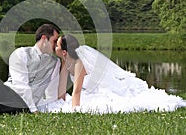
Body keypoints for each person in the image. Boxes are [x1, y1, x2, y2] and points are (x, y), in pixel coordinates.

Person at [42, 34, 186, 113]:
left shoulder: (79, 63)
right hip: (89, 91)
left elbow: (77, 92)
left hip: (104, 90)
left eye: (57, 45)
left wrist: (74, 111)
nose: (55, 47)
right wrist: (60, 102)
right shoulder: (65, 62)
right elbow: (62, 90)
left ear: (65, 52)